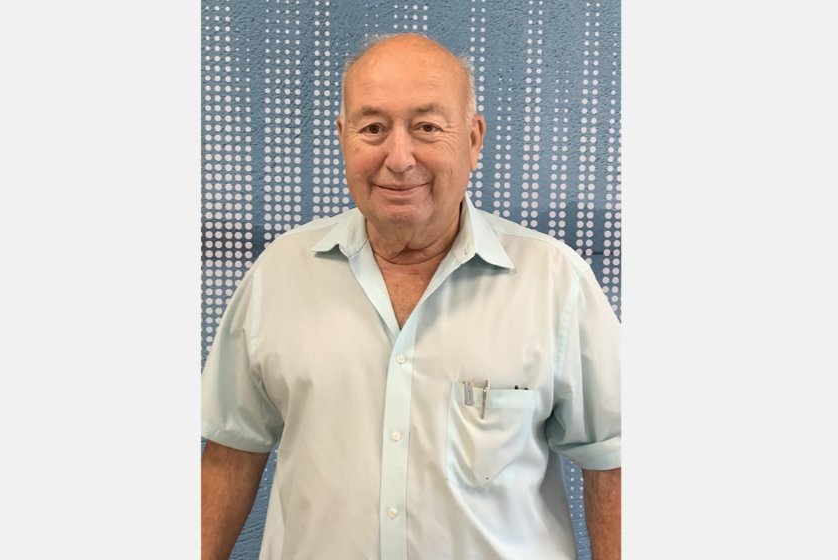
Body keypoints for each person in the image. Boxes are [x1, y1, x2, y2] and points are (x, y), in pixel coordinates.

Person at [201, 33, 621, 560]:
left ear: (474, 140)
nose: (399, 158)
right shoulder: (280, 273)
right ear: (343, 138)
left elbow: (615, 463)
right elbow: (230, 453)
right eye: (373, 128)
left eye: (427, 127)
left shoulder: (555, 281)